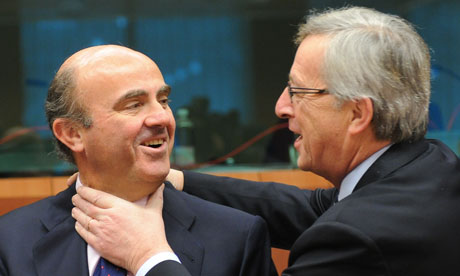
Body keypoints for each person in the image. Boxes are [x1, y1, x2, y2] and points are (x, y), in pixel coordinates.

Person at [70, 6, 460, 276]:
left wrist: (147, 255)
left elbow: (339, 223)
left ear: (358, 114)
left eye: (298, 92)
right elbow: (309, 208)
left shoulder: (356, 238)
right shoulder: (429, 165)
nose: (281, 107)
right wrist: (176, 180)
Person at [0, 45, 276, 276]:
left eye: (164, 100)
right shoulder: (10, 241)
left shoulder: (237, 236)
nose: (162, 118)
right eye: (133, 105)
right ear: (72, 134)